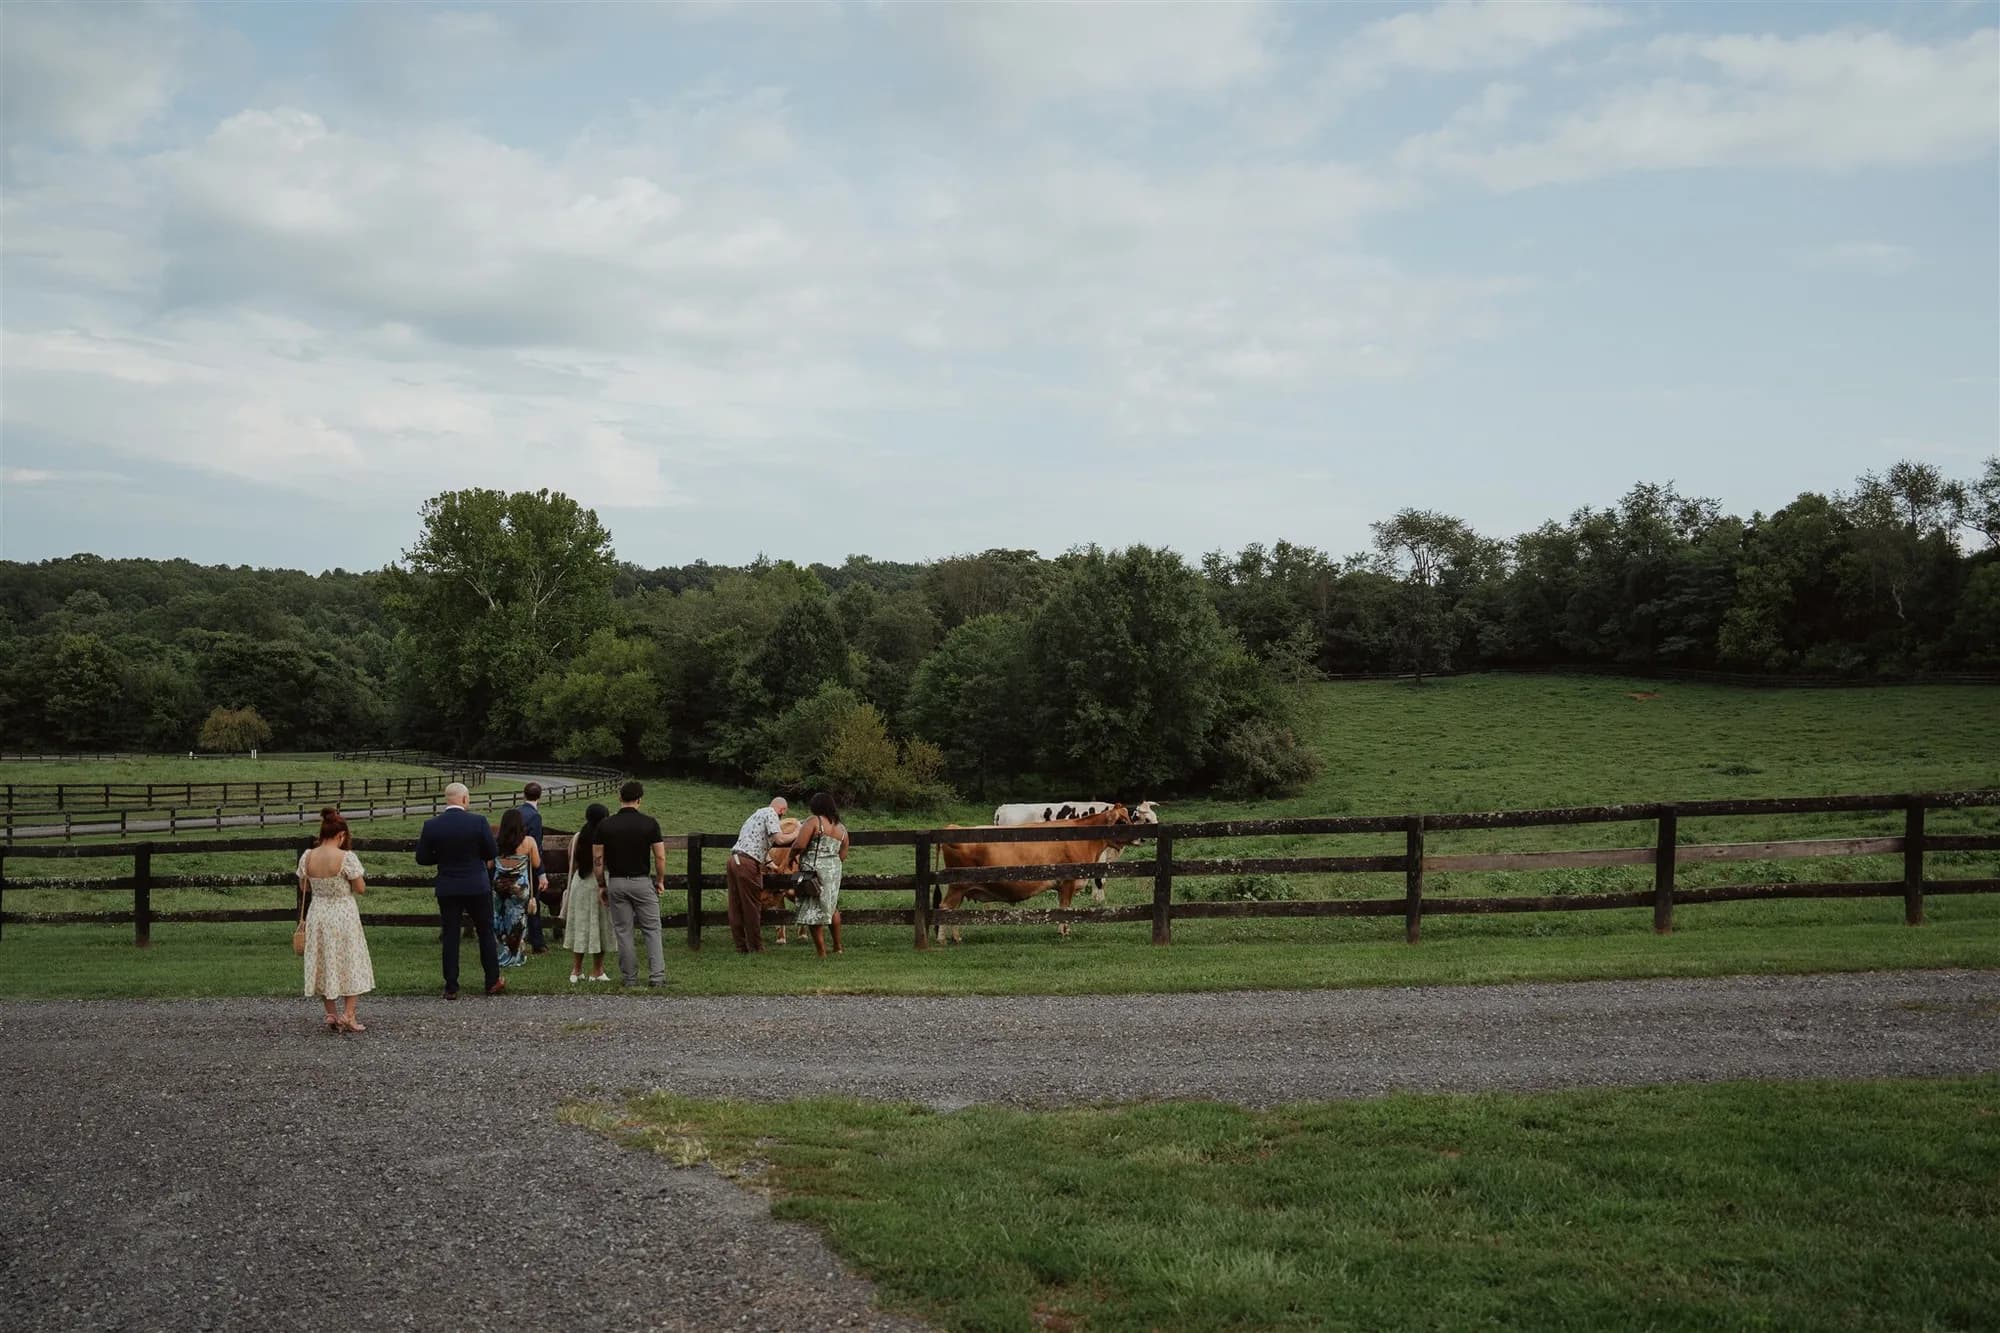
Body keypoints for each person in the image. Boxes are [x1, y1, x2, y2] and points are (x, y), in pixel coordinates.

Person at [415, 781, 504, 999]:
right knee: (485, 932)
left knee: (451, 934)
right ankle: (492, 981)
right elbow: (492, 851)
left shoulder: (431, 825)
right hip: (476, 883)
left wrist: (442, 857)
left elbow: (422, 858)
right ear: (464, 799)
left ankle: (451, 985)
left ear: (447, 799)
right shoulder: (478, 822)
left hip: (448, 885)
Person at [297, 807, 374, 1032]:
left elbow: (304, 886)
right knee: (350, 959)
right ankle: (348, 1015)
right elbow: (360, 888)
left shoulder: (307, 856)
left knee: (323, 959)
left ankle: (330, 1013)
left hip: (318, 912)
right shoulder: (346, 858)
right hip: (343, 913)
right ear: (341, 835)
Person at [593, 780, 667, 987]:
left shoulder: (605, 825)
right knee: (652, 929)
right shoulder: (650, 823)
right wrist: (659, 880)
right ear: (639, 799)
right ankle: (657, 977)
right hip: (642, 881)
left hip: (616, 881)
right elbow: (660, 857)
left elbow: (597, 861)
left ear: (620, 798)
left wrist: (601, 884)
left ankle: (629, 978)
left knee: (623, 931)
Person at [788, 791, 850, 959]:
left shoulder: (814, 821)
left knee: (811, 907)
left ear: (816, 806)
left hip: (811, 871)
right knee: (831, 906)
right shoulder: (842, 828)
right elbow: (843, 855)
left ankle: (821, 952)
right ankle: (837, 946)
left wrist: (790, 857)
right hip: (834, 871)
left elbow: (799, 844)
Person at [725, 796, 788, 953]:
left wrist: (773, 866)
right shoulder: (772, 814)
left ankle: (741, 946)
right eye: (783, 814)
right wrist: (797, 833)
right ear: (782, 810)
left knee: (736, 905)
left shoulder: (755, 816)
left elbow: (758, 846)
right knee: (752, 906)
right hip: (747, 864)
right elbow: (779, 839)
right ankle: (756, 947)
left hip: (734, 860)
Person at [564, 803, 616, 983]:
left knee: (580, 925)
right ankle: (597, 970)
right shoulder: (607, 837)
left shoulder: (578, 836)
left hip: (580, 882)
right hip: (599, 882)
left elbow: (571, 859)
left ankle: (576, 970)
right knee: (600, 925)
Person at [492, 807, 543, 969]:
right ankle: (516, 956)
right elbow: (536, 864)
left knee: (500, 919)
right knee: (518, 921)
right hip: (519, 886)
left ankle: (501, 954)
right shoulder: (528, 842)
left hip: (499, 884)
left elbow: (489, 864)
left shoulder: (497, 842)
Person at [517, 781, 550, 955]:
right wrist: (541, 872)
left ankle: (515, 939)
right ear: (539, 796)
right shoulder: (534, 817)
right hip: (527, 865)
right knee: (532, 902)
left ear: (524, 795)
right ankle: (537, 942)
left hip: (511, 864)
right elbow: (536, 846)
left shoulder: (515, 813)